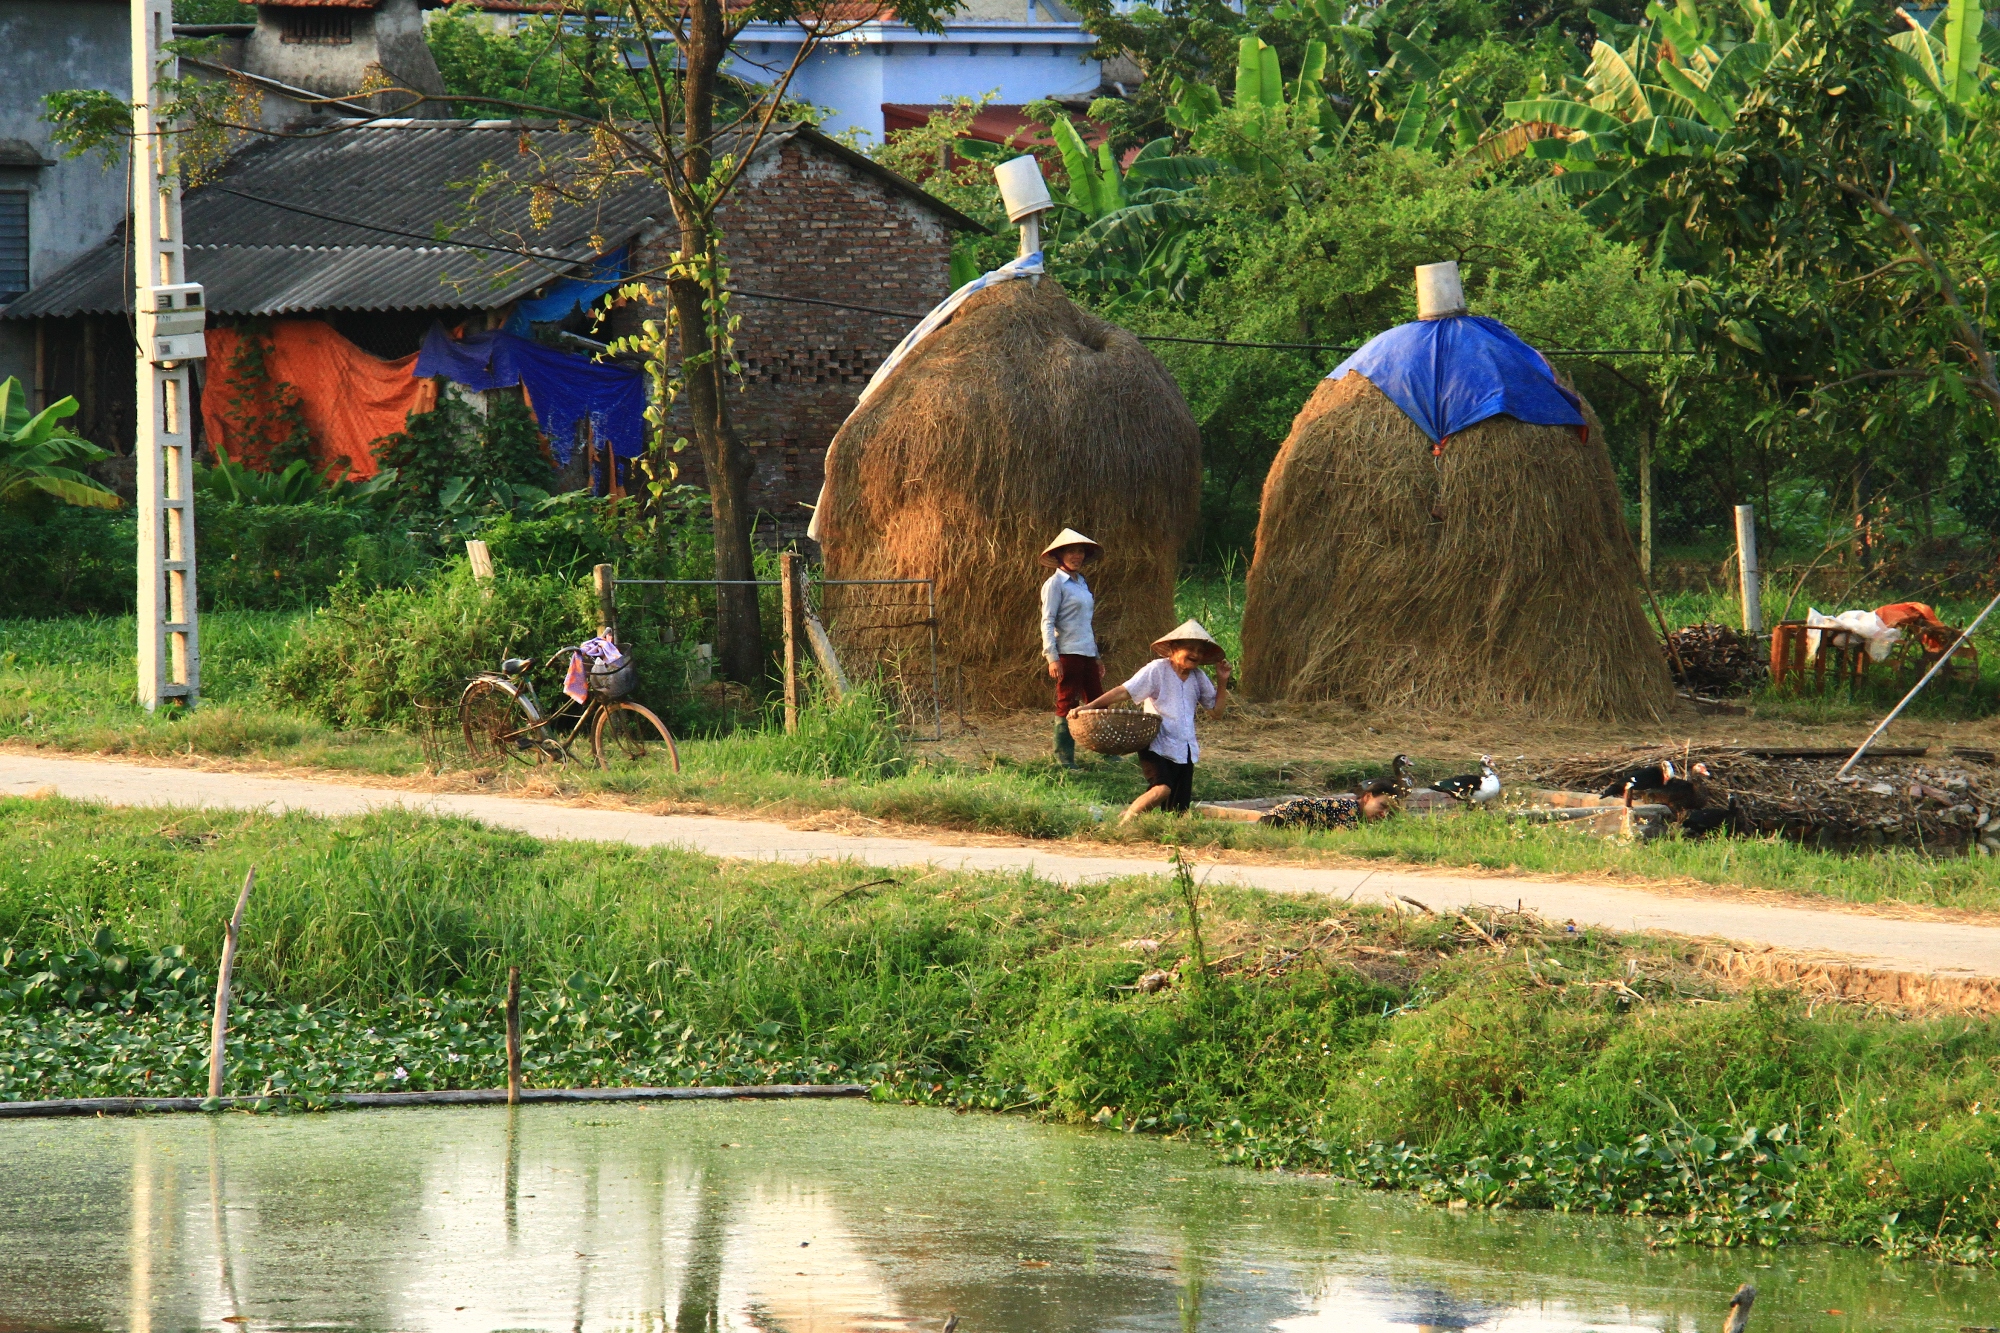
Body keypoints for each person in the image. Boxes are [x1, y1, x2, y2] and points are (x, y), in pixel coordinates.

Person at [1083, 619, 1229, 822]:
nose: (1196, 654)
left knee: (1177, 816)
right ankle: (1123, 826)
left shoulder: (1198, 677)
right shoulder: (1157, 670)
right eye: (1190, 648)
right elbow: (1124, 691)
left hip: (1185, 749)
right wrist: (1091, 706)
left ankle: (1133, 820)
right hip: (1156, 743)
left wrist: (1222, 681)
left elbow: (1216, 712)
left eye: (1200, 651)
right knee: (1161, 789)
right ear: (1174, 648)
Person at [1039, 527, 1103, 768]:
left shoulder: (1081, 583)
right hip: (1067, 652)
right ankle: (1064, 758)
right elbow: (1048, 620)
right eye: (1071, 552)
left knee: (1098, 700)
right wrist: (1052, 657)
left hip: (1086, 650)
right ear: (1059, 556)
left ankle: (1105, 749)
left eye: (1080, 552)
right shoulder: (1055, 584)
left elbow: (1086, 623)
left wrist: (1096, 656)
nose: (1077, 556)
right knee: (1067, 701)